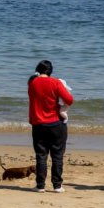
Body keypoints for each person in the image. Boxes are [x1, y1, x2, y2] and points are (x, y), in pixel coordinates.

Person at [27, 60, 73, 193]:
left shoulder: (32, 83)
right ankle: (57, 185)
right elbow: (69, 99)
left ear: (38, 70)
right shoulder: (56, 82)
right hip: (55, 123)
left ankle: (40, 185)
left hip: (38, 124)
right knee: (57, 155)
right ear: (50, 71)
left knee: (41, 155)